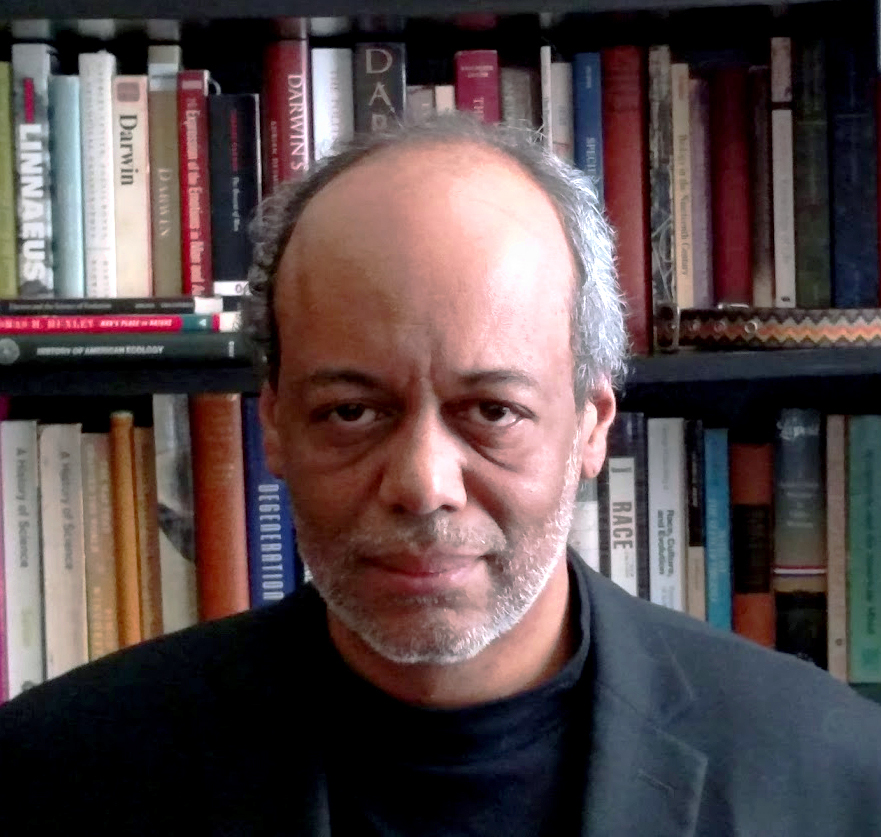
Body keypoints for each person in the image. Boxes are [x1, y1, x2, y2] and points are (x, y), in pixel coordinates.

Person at [1, 116, 880, 835]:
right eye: (352, 410)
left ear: (590, 427)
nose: (423, 484)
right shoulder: (55, 775)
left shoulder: (833, 773)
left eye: (491, 411)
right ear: (273, 425)